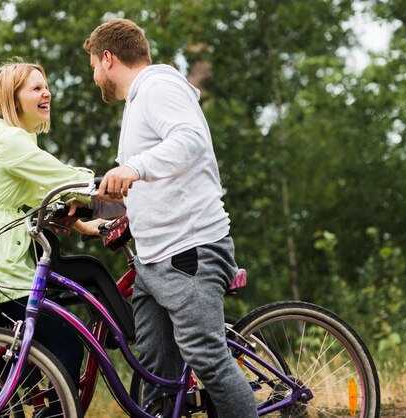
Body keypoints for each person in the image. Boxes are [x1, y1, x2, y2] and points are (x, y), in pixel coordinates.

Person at [82, 18, 258, 417]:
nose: (94, 76)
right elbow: (143, 183)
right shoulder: (138, 103)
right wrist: (87, 207)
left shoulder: (159, 86)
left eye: (93, 65)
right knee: (156, 374)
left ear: (108, 58)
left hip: (188, 250)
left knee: (207, 358)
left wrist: (135, 167)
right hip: (154, 260)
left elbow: (190, 140)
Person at [0, 58, 99, 397]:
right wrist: (115, 187)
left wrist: (86, 227)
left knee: (20, 371)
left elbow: (41, 196)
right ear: (12, 99)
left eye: (46, 87)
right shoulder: (11, 142)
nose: (47, 93)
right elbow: (66, 180)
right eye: (36, 88)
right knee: (67, 347)